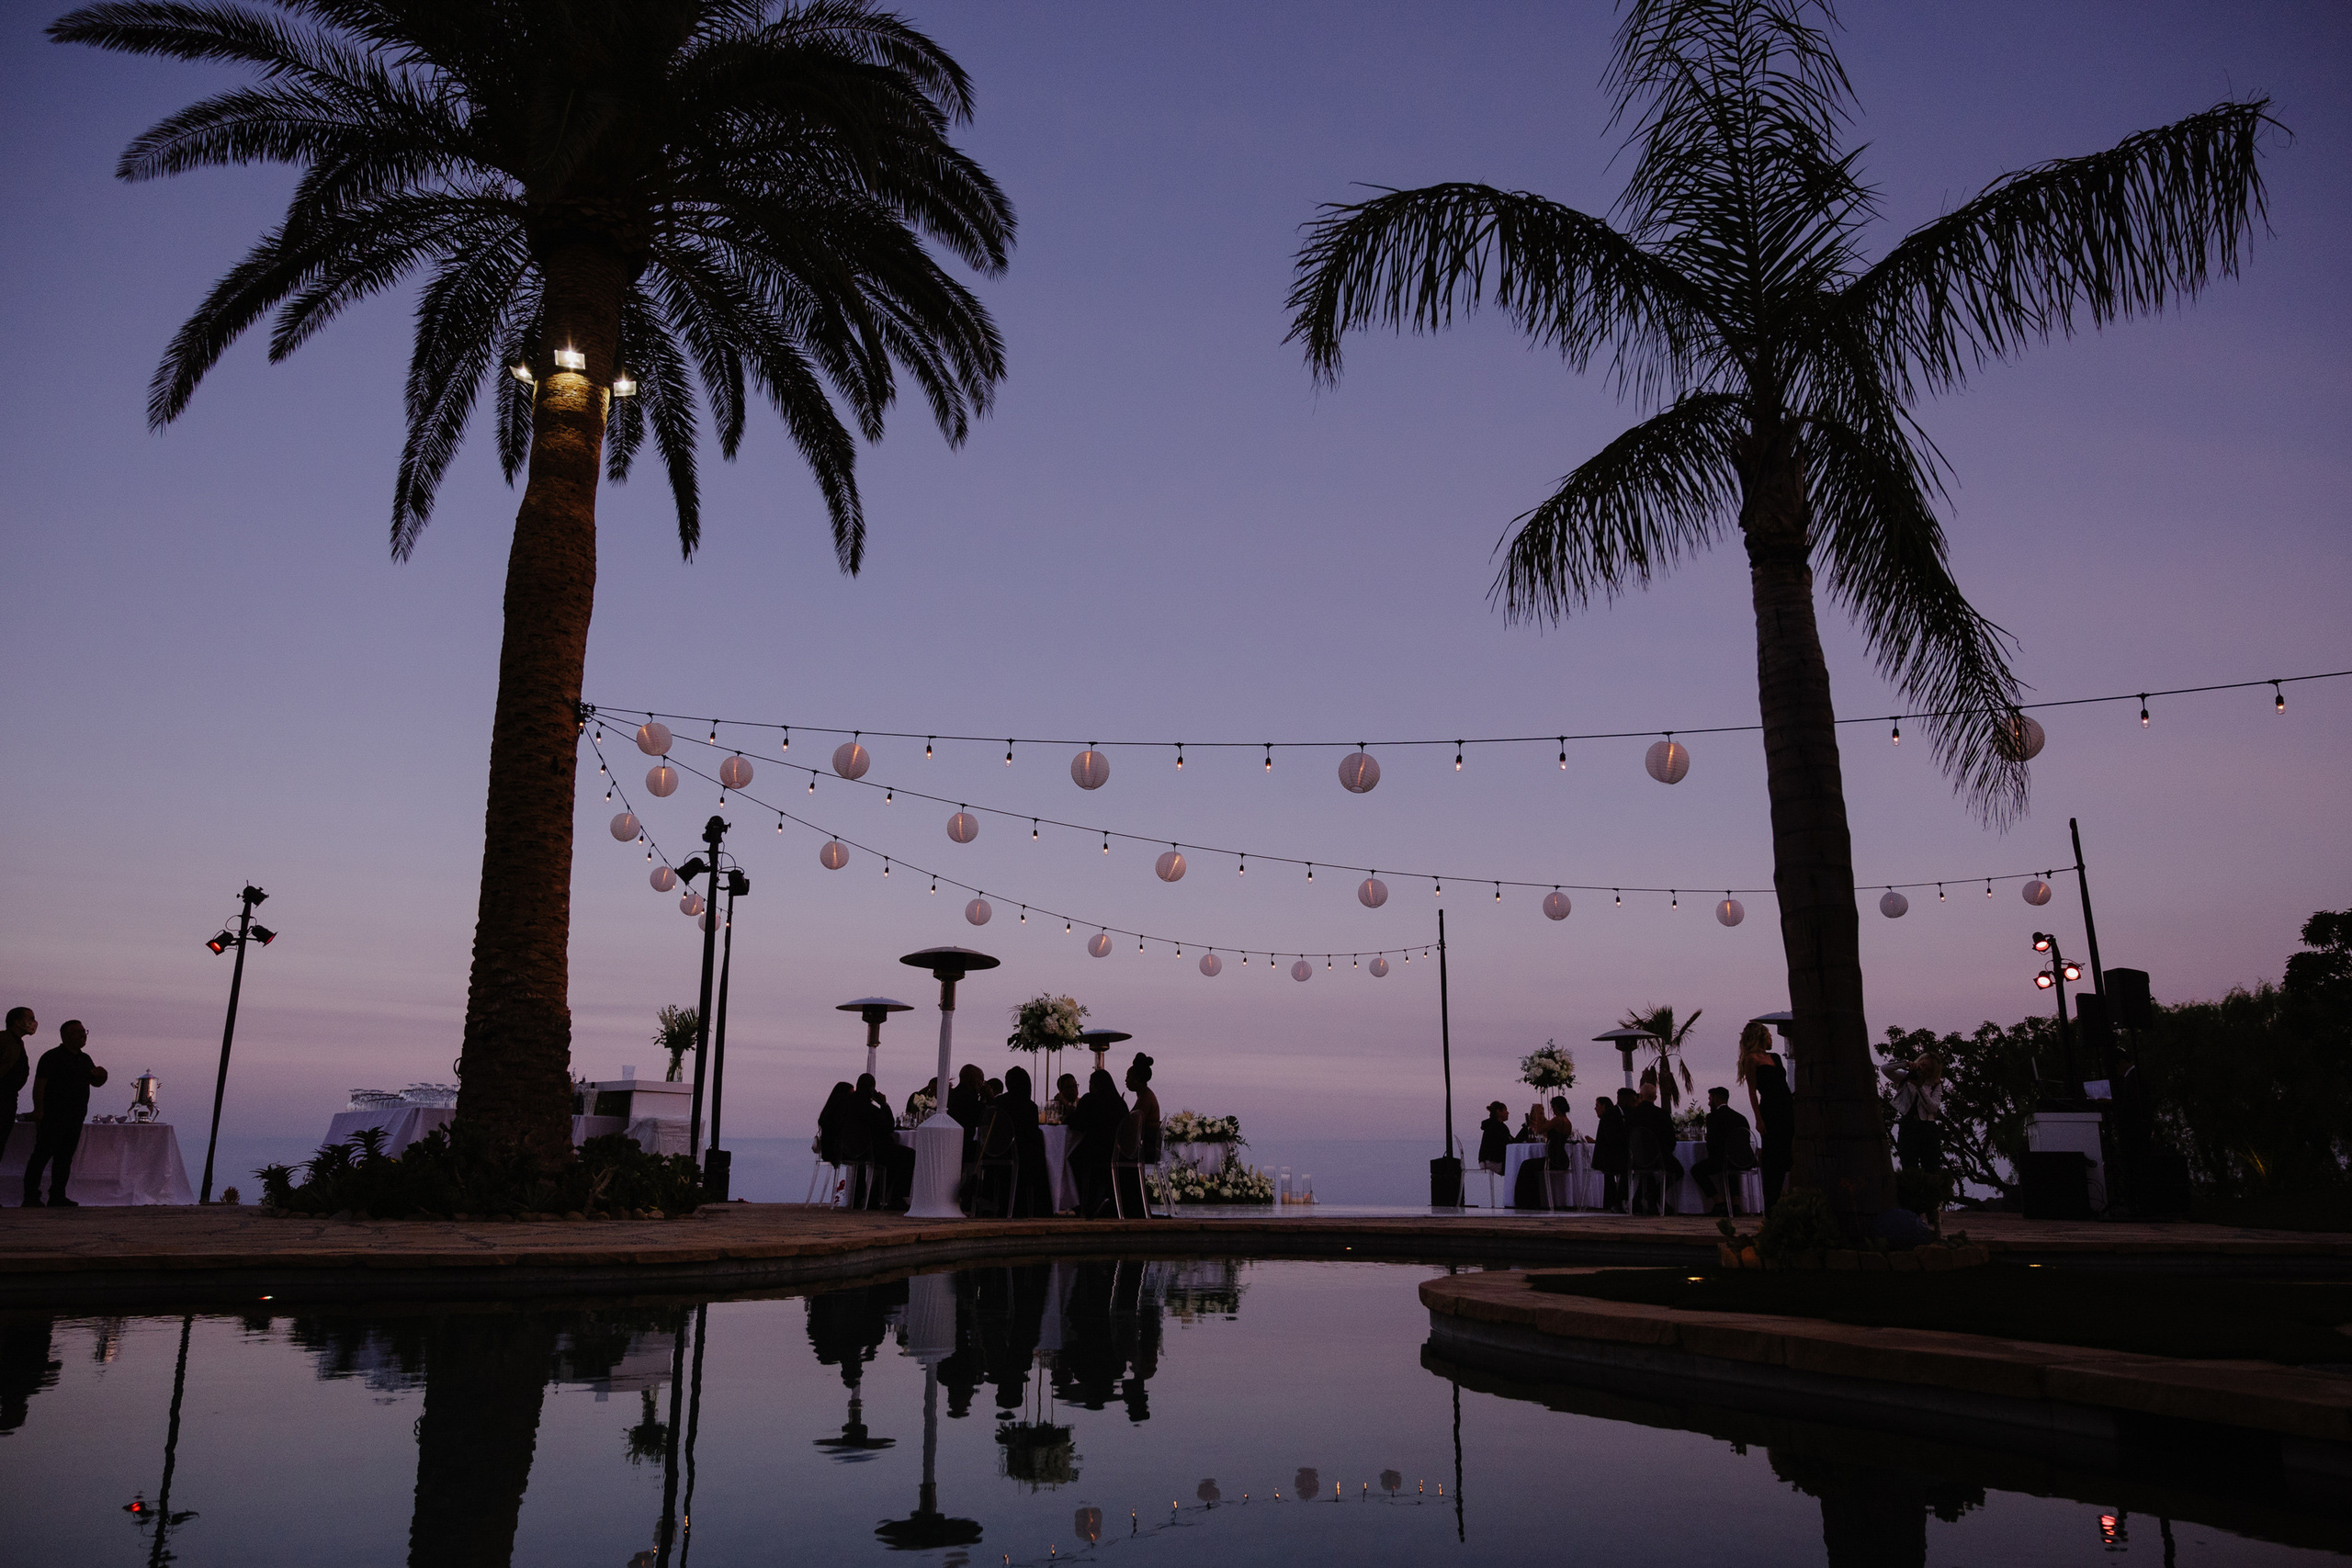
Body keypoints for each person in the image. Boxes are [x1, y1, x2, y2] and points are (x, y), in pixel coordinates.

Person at [23, 1021, 107, 1209]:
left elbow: (96, 1082)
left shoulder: (85, 1059)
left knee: (64, 1158)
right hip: (53, 1115)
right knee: (42, 1155)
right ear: (65, 1035)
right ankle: (31, 1196)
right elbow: (40, 1085)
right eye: (77, 1032)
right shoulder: (52, 1057)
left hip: (75, 1115)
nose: (83, 1035)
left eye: (84, 1032)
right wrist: (39, 1110)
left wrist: (102, 1075)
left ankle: (57, 1196)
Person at [977, 1065, 1049, 1217]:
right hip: (1018, 1156)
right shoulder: (1029, 1106)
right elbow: (1031, 1134)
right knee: (1044, 1159)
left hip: (994, 1152)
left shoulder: (997, 1103)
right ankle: (1039, 1208)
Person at [1741, 1022, 1794, 1213]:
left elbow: (1783, 1084)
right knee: (1773, 1158)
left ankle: (1788, 1201)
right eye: (1769, 1034)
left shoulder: (1775, 1058)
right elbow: (1752, 1092)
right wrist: (1758, 1118)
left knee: (1790, 1152)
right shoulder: (1751, 1059)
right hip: (1770, 1109)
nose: (1772, 1038)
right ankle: (1771, 1206)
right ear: (1761, 1036)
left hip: (1787, 1106)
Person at [1882, 1047, 1945, 1204]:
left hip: (1927, 1129)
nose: (1923, 1069)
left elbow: (1933, 1107)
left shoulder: (1935, 1086)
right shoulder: (1905, 1078)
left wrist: (1920, 1087)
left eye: (1927, 1068)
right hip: (1908, 1126)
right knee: (1909, 1168)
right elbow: (1885, 1069)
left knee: (1931, 1169)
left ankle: (1932, 1208)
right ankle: (1912, 1206)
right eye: (1922, 1065)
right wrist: (1906, 1064)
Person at [1068, 1068, 1127, 1218]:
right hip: (1118, 1153)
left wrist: (1068, 1114)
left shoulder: (1090, 1100)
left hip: (1096, 1153)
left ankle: (1080, 1203)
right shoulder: (1120, 1103)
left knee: (1070, 1159)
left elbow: (1077, 1124)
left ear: (1094, 1085)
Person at [1690, 1086, 1758, 1217]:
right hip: (1745, 1160)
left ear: (1715, 1099)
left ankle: (1719, 1202)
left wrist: (1713, 1158)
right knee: (1731, 1168)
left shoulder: (1713, 1117)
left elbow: (1712, 1145)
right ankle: (1736, 1205)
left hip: (1725, 1160)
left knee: (1697, 1170)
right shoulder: (1741, 1118)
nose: (1709, 1103)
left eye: (1710, 1099)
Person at [1112, 1054, 1162, 1215]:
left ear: (1137, 1079)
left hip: (1145, 1149)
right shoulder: (1144, 1095)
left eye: (1128, 1077)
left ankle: (1124, 1205)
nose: (1125, 1080)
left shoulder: (1145, 1098)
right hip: (1145, 1146)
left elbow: (1133, 1125)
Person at [856, 1072, 914, 1206]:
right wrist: (884, 1104)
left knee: (894, 1157)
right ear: (872, 1090)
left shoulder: (850, 1106)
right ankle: (896, 1197)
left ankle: (875, 1197)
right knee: (908, 1155)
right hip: (872, 1150)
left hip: (855, 1149)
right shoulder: (871, 1110)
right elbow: (889, 1126)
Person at [1625, 1084, 1681, 1216]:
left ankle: (1647, 1199)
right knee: (1679, 1170)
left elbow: (1627, 1137)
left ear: (1641, 1096)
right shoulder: (1663, 1115)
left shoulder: (1631, 1115)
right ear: (1656, 1097)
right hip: (1659, 1159)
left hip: (1636, 1160)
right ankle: (1654, 1195)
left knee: (1647, 1174)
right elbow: (1671, 1141)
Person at [2, 1008, 32, 1173]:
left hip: (9, 1098)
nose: (34, 1022)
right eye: (30, 1018)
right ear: (17, 1021)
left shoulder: (17, 1042)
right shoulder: (5, 1040)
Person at [1590, 1094, 1628, 1213]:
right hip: (1605, 1158)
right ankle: (1617, 1201)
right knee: (1626, 1167)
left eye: (1597, 1105)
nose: (1595, 1108)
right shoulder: (1610, 1117)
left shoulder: (1607, 1118)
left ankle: (1614, 1202)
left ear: (1604, 1106)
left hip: (1604, 1158)